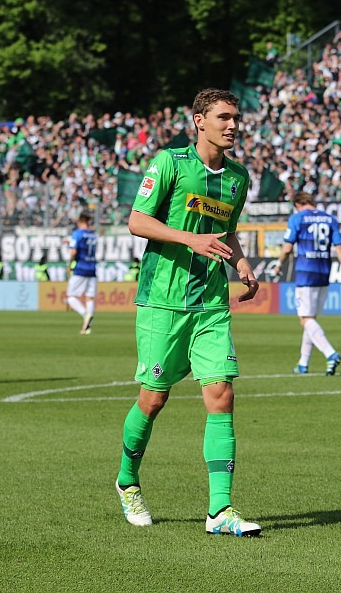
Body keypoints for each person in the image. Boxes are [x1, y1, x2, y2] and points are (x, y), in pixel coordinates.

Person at [115, 88, 261, 537]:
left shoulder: (238, 177)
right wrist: (190, 238)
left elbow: (227, 232)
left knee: (221, 395)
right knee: (153, 398)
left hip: (211, 303)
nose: (233, 124)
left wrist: (240, 263)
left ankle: (220, 510)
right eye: (223, 117)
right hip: (164, 299)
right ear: (199, 121)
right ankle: (127, 479)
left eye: (236, 117)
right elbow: (137, 221)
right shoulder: (169, 163)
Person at [275, 193, 341, 375]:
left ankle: (330, 353)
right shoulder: (329, 219)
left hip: (305, 273)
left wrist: (278, 264)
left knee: (305, 319)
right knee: (310, 318)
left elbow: (287, 248)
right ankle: (303, 364)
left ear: (297, 204)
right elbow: (339, 247)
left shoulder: (297, 218)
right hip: (324, 272)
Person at [67, 213, 98, 334]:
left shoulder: (77, 233)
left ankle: (86, 315)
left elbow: (74, 251)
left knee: (71, 297)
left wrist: (69, 265)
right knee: (89, 297)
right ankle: (87, 326)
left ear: (80, 222)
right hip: (92, 268)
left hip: (80, 268)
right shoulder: (93, 235)